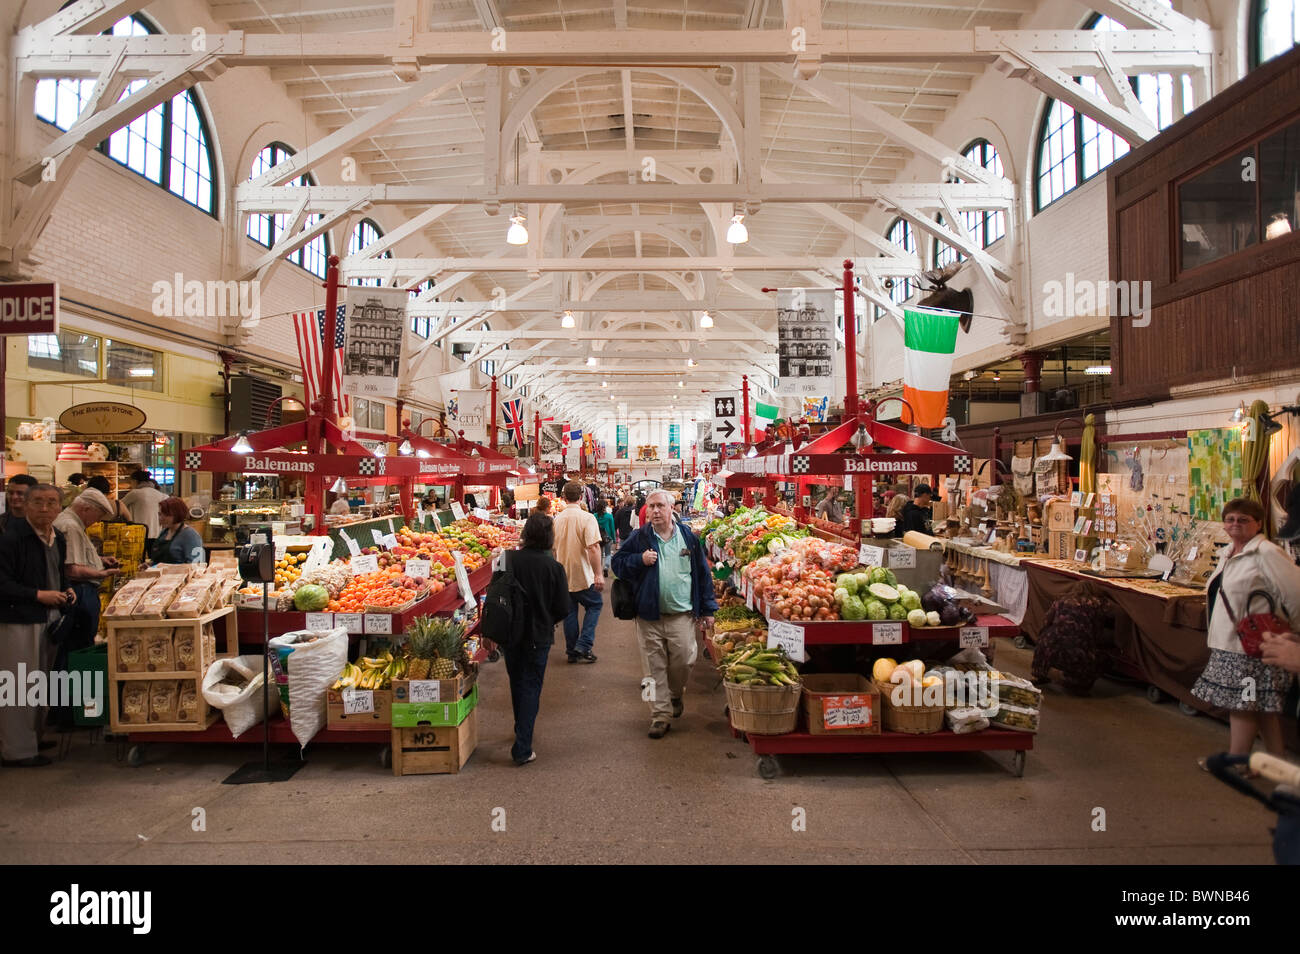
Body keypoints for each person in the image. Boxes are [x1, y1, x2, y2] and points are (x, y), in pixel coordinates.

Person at [1192, 498, 1300, 771]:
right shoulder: (1228, 552)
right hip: (1232, 642)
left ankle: (1237, 763)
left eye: (1243, 520)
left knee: (1242, 706)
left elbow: (1296, 593)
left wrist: (1294, 634)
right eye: (1230, 519)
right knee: (1261, 707)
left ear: (1259, 524)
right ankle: (1276, 766)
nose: (1235, 524)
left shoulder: (1266, 553)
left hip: (1252, 646)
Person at [611, 489, 718, 739]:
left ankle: (675, 694)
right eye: (651, 507)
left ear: (672, 509)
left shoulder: (689, 539)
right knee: (652, 669)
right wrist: (639, 559)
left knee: (684, 660)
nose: (655, 511)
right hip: (649, 616)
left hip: (681, 614)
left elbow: (702, 574)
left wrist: (708, 608)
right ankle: (658, 715)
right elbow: (617, 564)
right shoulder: (639, 538)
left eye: (660, 506)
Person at [0, 484, 73, 767]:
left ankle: (33, 737)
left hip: (49, 619)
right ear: (26, 506)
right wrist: (37, 595)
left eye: (51, 503)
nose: (45, 508)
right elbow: (3, 583)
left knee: (40, 683)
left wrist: (67, 589)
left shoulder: (58, 537)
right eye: (38, 502)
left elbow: (58, 571)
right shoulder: (11, 539)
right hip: (19, 620)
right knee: (18, 685)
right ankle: (16, 750)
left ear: (59, 508)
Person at [500, 513, 572, 765]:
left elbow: (495, 596)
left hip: (509, 634)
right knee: (531, 685)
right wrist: (547, 618)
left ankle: (522, 728)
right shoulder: (554, 567)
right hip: (538, 635)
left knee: (516, 681)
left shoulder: (507, 559)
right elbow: (564, 607)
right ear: (550, 536)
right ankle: (522, 747)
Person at [53, 488, 120, 664]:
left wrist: (100, 560)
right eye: (98, 516)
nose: (97, 521)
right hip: (80, 592)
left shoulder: (73, 523)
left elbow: (76, 557)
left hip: (82, 592)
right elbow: (72, 570)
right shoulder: (71, 526)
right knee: (79, 649)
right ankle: (77, 688)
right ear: (86, 509)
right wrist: (101, 573)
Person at [552, 481, 604, 663]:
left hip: (562, 574)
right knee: (595, 605)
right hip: (583, 574)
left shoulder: (556, 519)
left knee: (570, 613)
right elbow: (593, 548)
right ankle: (584, 644)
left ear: (564, 498)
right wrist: (598, 573)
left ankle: (572, 651)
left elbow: (552, 549)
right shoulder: (587, 518)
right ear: (581, 497)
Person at [146, 497, 205, 565]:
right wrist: (150, 565)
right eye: (160, 514)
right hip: (161, 575)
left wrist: (170, 569)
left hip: (179, 575)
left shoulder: (190, 535)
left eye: (166, 515)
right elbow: (158, 561)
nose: (161, 518)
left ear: (177, 514)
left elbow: (196, 565)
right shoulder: (164, 532)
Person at [594, 498, 615, 577]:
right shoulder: (609, 516)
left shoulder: (594, 516)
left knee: (598, 554)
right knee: (608, 553)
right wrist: (614, 538)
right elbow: (612, 528)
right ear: (604, 507)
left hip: (597, 537)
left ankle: (598, 569)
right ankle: (606, 567)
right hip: (608, 537)